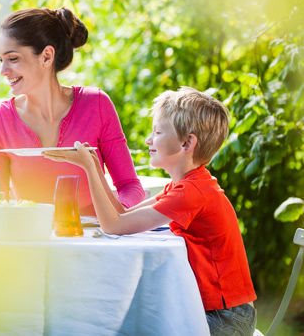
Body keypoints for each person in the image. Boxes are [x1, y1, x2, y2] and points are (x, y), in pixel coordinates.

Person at [44, 87, 257, 335]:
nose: (148, 140)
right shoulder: (185, 185)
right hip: (218, 312)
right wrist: (92, 164)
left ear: (187, 142)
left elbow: (113, 226)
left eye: (157, 132)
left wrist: (89, 170)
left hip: (225, 319)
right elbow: (122, 214)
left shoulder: (191, 192)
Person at [0, 7, 144, 214]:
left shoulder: (96, 105)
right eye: (0, 60)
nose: (3, 71)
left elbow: (130, 186)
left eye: (13, 59)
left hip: (96, 240)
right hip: (31, 240)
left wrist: (118, 216)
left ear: (46, 57)